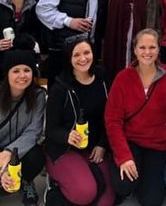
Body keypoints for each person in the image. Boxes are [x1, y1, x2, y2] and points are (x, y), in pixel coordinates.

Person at [104, 29, 166, 206]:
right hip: (130, 141)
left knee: (152, 201)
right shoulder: (123, 78)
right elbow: (113, 120)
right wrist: (124, 157)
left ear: (159, 49)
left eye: (152, 47)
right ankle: (129, 173)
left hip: (157, 144)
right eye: (142, 47)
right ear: (134, 49)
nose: (147, 52)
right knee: (123, 186)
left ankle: (144, 177)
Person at [45, 36, 115, 206]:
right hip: (65, 149)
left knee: (106, 201)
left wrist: (103, 144)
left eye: (86, 52)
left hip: (94, 148)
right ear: (69, 59)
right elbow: (51, 129)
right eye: (76, 55)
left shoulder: (103, 78)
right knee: (85, 193)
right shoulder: (60, 88)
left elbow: (111, 116)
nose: (83, 58)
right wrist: (67, 136)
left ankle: (84, 175)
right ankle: (54, 187)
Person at [0, 50, 46, 206]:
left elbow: (34, 132)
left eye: (27, 70)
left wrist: (9, 152)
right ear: (7, 74)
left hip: (17, 151)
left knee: (37, 155)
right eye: (16, 71)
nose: (22, 75)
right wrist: (1, 176)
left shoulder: (38, 96)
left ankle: (25, 182)